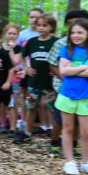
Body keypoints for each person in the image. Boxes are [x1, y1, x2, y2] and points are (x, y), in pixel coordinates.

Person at [56, 18, 88, 175]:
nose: (76, 35)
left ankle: (85, 163)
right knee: (68, 129)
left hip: (87, 96)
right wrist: (84, 67)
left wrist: (73, 69)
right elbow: (62, 71)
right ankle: (70, 161)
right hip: (67, 95)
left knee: (86, 132)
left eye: (80, 32)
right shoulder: (65, 50)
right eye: (73, 33)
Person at [47, 10, 88, 157]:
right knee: (60, 118)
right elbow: (52, 65)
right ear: (66, 25)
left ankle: (74, 144)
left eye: (79, 23)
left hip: (84, 88)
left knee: (79, 118)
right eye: (71, 23)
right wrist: (66, 78)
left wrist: (76, 74)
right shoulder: (60, 44)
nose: (75, 27)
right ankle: (54, 142)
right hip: (63, 88)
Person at [19, 13, 58, 145]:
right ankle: (27, 133)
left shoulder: (56, 42)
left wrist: (57, 71)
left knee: (53, 109)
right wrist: (26, 68)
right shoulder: (32, 42)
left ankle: (55, 136)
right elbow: (21, 56)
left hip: (50, 83)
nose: (41, 28)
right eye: (39, 25)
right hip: (34, 82)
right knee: (30, 107)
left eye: (44, 25)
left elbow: (62, 59)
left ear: (51, 27)